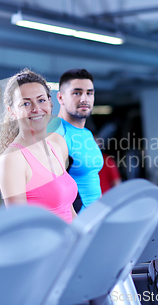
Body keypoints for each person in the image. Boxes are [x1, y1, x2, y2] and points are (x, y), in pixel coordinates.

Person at [0, 69, 77, 223]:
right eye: (25, 103)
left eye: (41, 100)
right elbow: (20, 225)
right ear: (12, 112)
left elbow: (69, 209)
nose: (36, 109)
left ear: (50, 102)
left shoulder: (56, 145)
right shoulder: (13, 159)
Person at [53, 69, 103, 211]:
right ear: (61, 98)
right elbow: (55, 195)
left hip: (96, 220)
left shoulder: (87, 134)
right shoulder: (57, 135)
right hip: (78, 225)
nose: (84, 99)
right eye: (77, 93)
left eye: (89, 93)